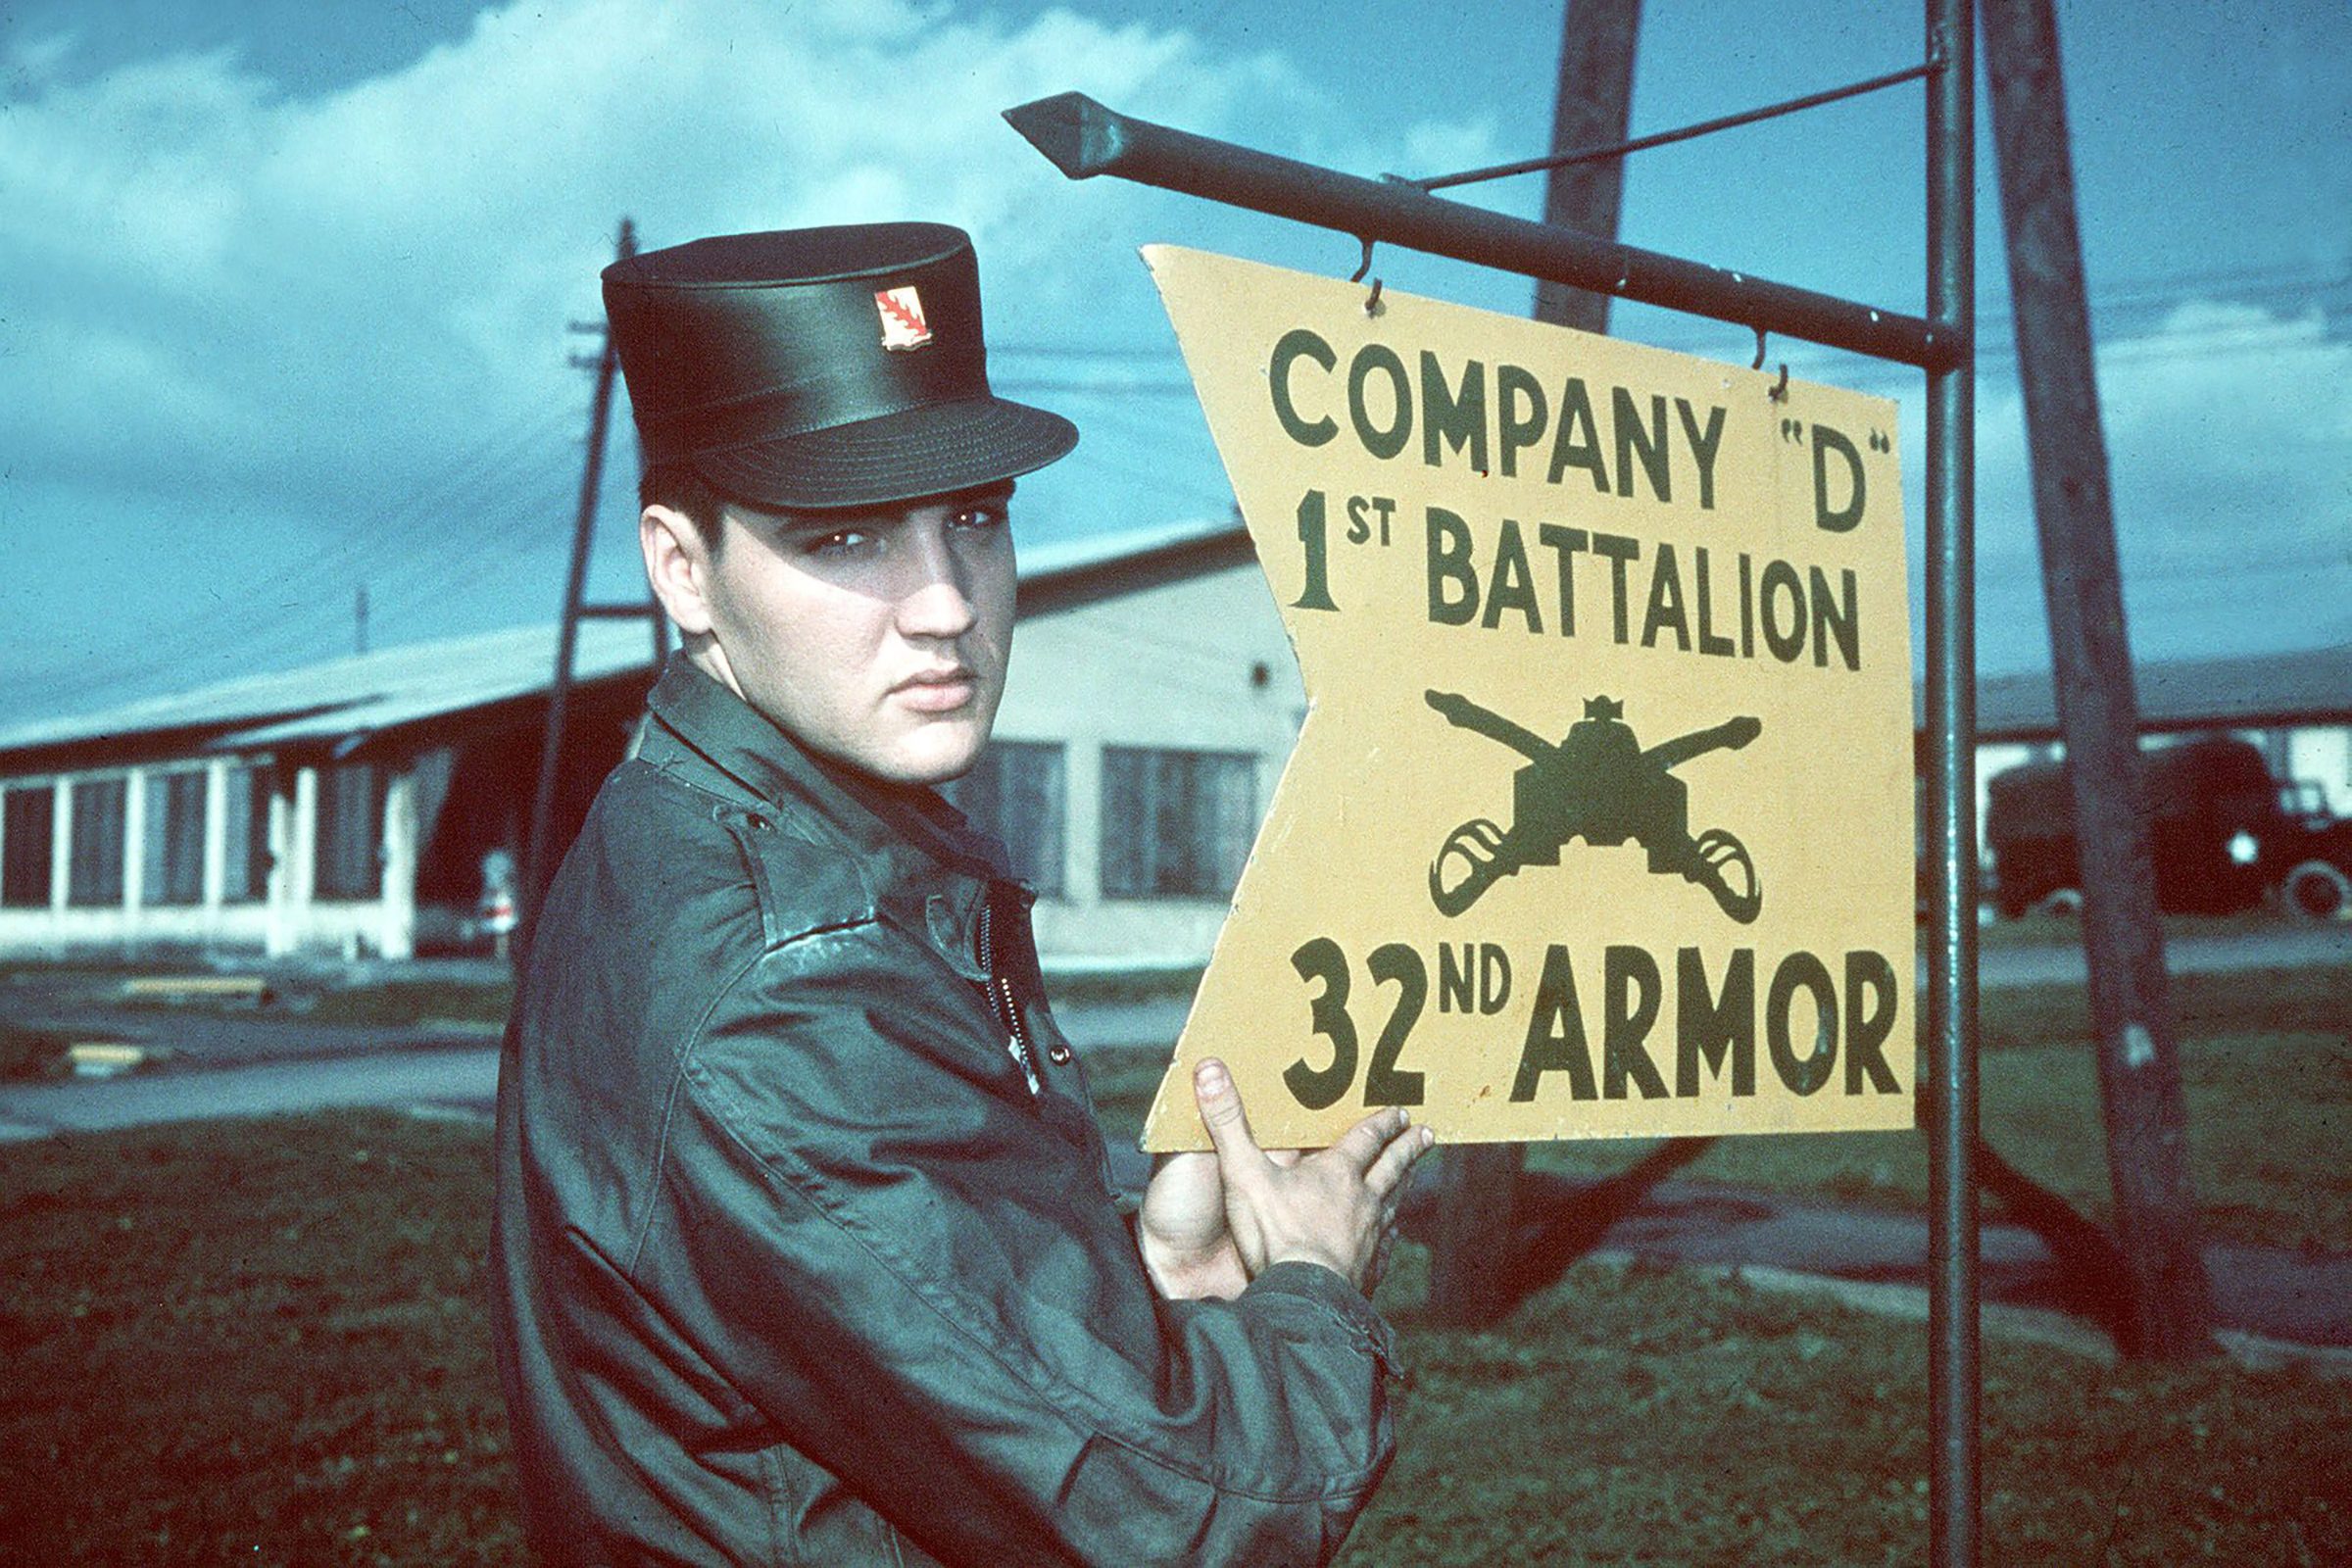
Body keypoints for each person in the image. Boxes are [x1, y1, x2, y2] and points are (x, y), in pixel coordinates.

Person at [490, 221, 1434, 1566]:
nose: (945, 604)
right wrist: (1309, 1290)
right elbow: (1194, 1514)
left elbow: (874, 1335)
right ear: (680, 568)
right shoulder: (787, 987)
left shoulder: (723, 835)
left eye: (975, 519)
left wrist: (1144, 1285)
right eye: (846, 535)